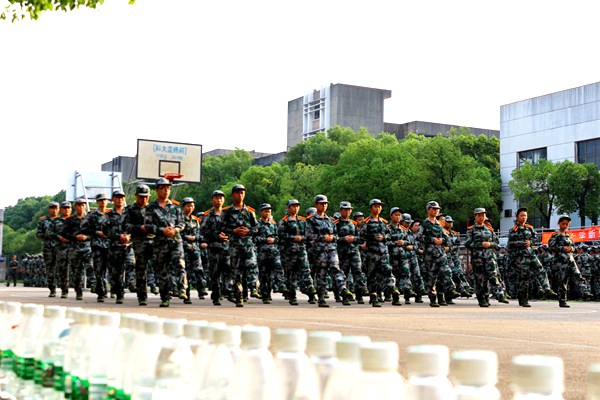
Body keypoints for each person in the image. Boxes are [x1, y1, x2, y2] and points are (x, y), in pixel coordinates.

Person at [144, 177, 187, 308]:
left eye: (168, 188)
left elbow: (182, 223)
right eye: (162, 188)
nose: (166, 190)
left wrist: (175, 230)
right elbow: (148, 225)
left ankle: (182, 288)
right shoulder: (151, 208)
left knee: (179, 263)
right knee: (162, 270)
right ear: (157, 190)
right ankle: (165, 297)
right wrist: (162, 230)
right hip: (160, 243)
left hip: (175, 240)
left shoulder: (175, 207)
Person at [306, 194, 353, 307]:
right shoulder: (311, 220)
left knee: (336, 269)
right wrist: (322, 237)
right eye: (322, 204)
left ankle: (343, 289)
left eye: (325, 204)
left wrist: (333, 238)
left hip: (331, 250)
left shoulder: (330, 221)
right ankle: (321, 298)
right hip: (319, 251)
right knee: (321, 274)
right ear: (316, 205)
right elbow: (309, 236)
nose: (324, 206)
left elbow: (336, 235)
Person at [507, 207, 558, 307]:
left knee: (541, 270)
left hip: (531, 254)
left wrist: (531, 242)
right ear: (517, 217)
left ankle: (547, 289)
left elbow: (535, 239)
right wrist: (521, 243)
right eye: (522, 215)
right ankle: (523, 300)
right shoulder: (513, 230)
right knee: (524, 278)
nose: (524, 217)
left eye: (525, 215)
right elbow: (510, 244)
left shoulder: (530, 228)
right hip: (520, 257)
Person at [221, 184, 259, 307]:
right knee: (236, 272)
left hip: (248, 244)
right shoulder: (227, 212)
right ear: (233, 195)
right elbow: (221, 227)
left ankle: (253, 288)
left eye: (242, 192)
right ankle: (239, 296)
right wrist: (233, 231)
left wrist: (249, 231)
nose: (240, 195)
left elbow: (256, 228)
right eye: (237, 192)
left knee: (251, 265)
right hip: (234, 245)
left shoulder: (250, 212)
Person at [417, 201, 460, 307]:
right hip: (430, 255)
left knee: (446, 271)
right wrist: (432, 240)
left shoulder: (439, 224)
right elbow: (419, 236)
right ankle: (433, 299)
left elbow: (447, 238)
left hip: (441, 253)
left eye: (438, 209)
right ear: (428, 210)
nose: (436, 211)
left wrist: (442, 241)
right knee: (432, 277)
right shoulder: (425, 224)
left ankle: (450, 290)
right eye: (434, 209)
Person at [465, 208, 509, 307]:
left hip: (489, 258)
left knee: (493, 276)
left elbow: (496, 243)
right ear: (475, 217)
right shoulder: (471, 230)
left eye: (483, 215)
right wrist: (480, 244)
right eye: (479, 215)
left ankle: (500, 294)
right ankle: (483, 299)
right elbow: (468, 243)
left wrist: (490, 244)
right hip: (477, 259)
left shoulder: (489, 230)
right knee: (480, 280)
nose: (481, 217)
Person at [359, 198, 399, 307]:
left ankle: (392, 288)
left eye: (379, 206)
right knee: (372, 275)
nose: (378, 208)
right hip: (372, 253)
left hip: (383, 252)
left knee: (388, 270)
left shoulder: (384, 222)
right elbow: (361, 236)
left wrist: (384, 237)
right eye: (375, 206)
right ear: (371, 208)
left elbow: (389, 235)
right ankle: (373, 296)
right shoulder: (366, 222)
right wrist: (372, 237)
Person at [547, 214, 593, 308]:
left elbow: (573, 247)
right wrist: (562, 248)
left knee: (578, 275)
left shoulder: (569, 236)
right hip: (560, 262)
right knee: (562, 281)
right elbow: (551, 247)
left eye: (567, 224)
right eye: (563, 223)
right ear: (559, 223)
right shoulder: (555, 235)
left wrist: (571, 249)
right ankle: (562, 300)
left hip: (570, 260)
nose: (565, 225)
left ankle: (585, 292)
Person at [278, 199, 317, 305]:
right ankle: (292, 296)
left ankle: (311, 293)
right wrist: (293, 238)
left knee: (306, 271)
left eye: (297, 206)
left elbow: (308, 234)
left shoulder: (302, 221)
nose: (296, 208)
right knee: (291, 274)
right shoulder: (284, 221)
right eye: (293, 206)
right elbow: (280, 235)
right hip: (289, 251)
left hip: (301, 249)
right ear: (288, 208)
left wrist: (302, 238)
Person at [122, 184, 155, 306]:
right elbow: (125, 225)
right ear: (136, 196)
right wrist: (139, 228)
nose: (144, 199)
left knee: (160, 267)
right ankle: (142, 296)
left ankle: (163, 292)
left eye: (146, 196)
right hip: (139, 242)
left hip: (154, 241)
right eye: (141, 196)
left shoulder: (153, 209)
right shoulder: (130, 210)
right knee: (141, 269)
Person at [200, 189, 231, 306]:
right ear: (212, 200)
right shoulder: (208, 216)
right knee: (215, 273)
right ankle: (216, 295)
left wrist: (227, 236)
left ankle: (226, 289)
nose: (219, 200)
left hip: (226, 247)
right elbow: (203, 232)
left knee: (228, 269)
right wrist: (216, 236)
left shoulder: (228, 215)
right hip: (214, 248)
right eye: (216, 198)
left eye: (221, 198)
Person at [103, 189, 133, 304]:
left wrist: (129, 236)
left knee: (131, 264)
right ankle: (119, 294)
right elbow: (105, 230)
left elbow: (136, 226)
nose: (120, 199)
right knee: (117, 272)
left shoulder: (130, 213)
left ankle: (131, 283)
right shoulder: (109, 215)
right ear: (113, 200)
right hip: (115, 246)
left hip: (128, 245)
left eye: (122, 197)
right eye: (117, 197)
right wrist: (118, 236)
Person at [335, 201, 367, 304]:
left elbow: (361, 238)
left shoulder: (353, 224)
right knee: (343, 273)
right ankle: (344, 295)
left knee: (358, 272)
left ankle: (359, 295)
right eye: (345, 210)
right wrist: (343, 239)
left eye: (349, 210)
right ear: (341, 211)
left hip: (354, 251)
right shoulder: (336, 224)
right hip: (342, 252)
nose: (347, 212)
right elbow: (333, 237)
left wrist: (353, 239)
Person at [61, 198, 93, 301]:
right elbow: (64, 233)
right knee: (76, 272)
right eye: (79, 205)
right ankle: (78, 292)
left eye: (83, 205)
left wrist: (86, 237)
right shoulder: (70, 220)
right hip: (74, 248)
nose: (81, 207)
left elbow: (95, 232)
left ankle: (95, 286)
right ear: (75, 207)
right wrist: (75, 237)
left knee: (91, 267)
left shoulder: (90, 219)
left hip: (87, 247)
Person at [83, 193, 110, 302]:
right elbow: (83, 228)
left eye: (104, 200)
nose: (103, 202)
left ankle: (105, 288)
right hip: (97, 245)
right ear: (97, 202)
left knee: (107, 269)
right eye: (100, 200)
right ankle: (100, 292)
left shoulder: (111, 214)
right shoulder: (92, 215)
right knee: (98, 269)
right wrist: (96, 232)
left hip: (109, 245)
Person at [180, 197, 207, 303]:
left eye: (192, 206)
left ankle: (202, 288)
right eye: (188, 206)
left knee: (199, 269)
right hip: (184, 249)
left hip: (195, 249)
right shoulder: (180, 219)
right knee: (186, 272)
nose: (190, 208)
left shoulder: (195, 221)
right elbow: (177, 234)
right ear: (183, 207)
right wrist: (187, 237)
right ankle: (186, 295)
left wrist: (195, 238)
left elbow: (199, 235)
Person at [255, 203, 282, 303]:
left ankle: (270, 291)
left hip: (273, 251)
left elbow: (278, 236)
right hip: (262, 252)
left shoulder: (273, 224)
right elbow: (254, 238)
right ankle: (264, 294)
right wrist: (265, 239)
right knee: (263, 274)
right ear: (261, 212)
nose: (267, 213)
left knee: (271, 274)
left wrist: (274, 240)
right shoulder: (257, 224)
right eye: (266, 211)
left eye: (269, 211)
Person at [387, 207, 415, 305]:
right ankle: (395, 297)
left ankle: (407, 291)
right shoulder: (387, 229)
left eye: (399, 215)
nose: (398, 217)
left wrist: (403, 242)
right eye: (396, 215)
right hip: (392, 256)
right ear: (391, 216)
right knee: (394, 276)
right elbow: (385, 242)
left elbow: (408, 241)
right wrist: (395, 243)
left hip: (402, 256)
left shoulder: (403, 229)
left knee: (406, 273)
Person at [443, 215, 474, 299]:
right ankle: (459, 290)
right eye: (448, 222)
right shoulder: (442, 233)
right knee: (450, 274)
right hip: (445, 257)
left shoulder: (454, 234)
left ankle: (464, 288)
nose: (450, 224)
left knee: (459, 272)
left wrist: (450, 248)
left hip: (454, 257)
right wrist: (450, 248)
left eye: (451, 222)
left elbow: (457, 245)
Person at [36, 201, 60, 297]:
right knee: (50, 269)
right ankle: (52, 289)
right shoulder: (43, 221)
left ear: (59, 209)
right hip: (48, 248)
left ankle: (64, 289)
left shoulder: (63, 220)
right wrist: (47, 236)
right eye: (52, 208)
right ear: (49, 209)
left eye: (56, 208)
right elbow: (38, 234)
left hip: (60, 247)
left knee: (62, 268)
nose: (54, 210)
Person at [402, 213, 425, 303]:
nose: (408, 224)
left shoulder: (411, 233)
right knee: (407, 276)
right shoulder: (400, 231)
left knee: (417, 276)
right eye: (406, 222)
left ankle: (419, 295)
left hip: (413, 257)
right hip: (404, 257)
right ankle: (407, 296)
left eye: (409, 222)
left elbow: (416, 245)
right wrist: (405, 246)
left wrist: (413, 247)